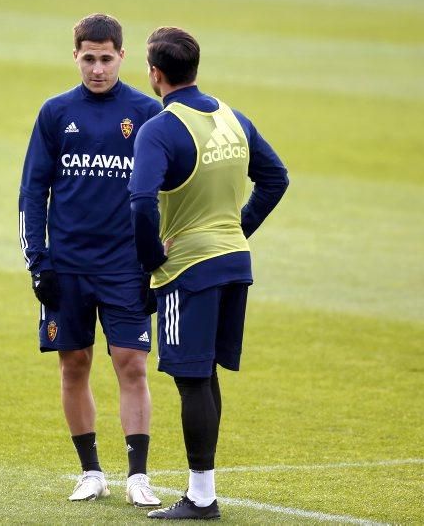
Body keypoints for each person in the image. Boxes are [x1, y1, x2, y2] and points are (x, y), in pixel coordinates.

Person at [129, 27, 289, 520]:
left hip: (189, 270)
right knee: (205, 374)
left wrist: (152, 260)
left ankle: (201, 497)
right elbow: (276, 177)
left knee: (189, 377)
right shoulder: (233, 118)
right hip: (235, 263)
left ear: (155, 74)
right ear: (194, 67)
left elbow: (140, 203)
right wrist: (234, 228)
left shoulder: (159, 128)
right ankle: (203, 491)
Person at [18, 13, 163, 508]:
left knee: (132, 365)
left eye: (106, 59)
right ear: (75, 56)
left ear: (122, 57)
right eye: (88, 59)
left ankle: (138, 476)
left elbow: (166, 197)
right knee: (73, 365)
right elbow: (32, 193)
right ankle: (90, 472)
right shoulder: (55, 113)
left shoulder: (146, 113)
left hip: (126, 266)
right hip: (69, 267)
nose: (97, 69)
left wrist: (156, 264)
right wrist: (38, 262)